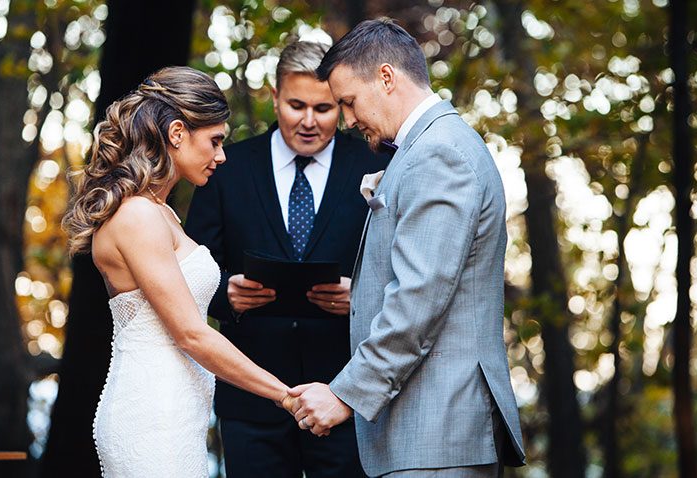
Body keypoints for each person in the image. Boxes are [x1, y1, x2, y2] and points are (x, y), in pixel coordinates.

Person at [286, 19, 527, 477]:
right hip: (427, 435)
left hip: (438, 434)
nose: (349, 120)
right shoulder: (428, 148)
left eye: (348, 102)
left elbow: (418, 300)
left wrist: (344, 393)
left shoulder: (439, 154)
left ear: (386, 77)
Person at [62, 66, 295, 477]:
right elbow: (190, 333)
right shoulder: (137, 216)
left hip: (176, 417)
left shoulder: (161, 212)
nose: (222, 155)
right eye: (215, 140)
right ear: (175, 134)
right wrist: (285, 395)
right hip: (152, 418)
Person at [185, 41, 388, 477]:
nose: (310, 121)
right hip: (249, 394)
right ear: (273, 97)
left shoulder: (375, 164)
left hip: (346, 392)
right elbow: (191, 262)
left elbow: (402, 265)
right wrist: (226, 295)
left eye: (325, 108)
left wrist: (363, 297)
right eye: (297, 105)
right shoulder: (225, 167)